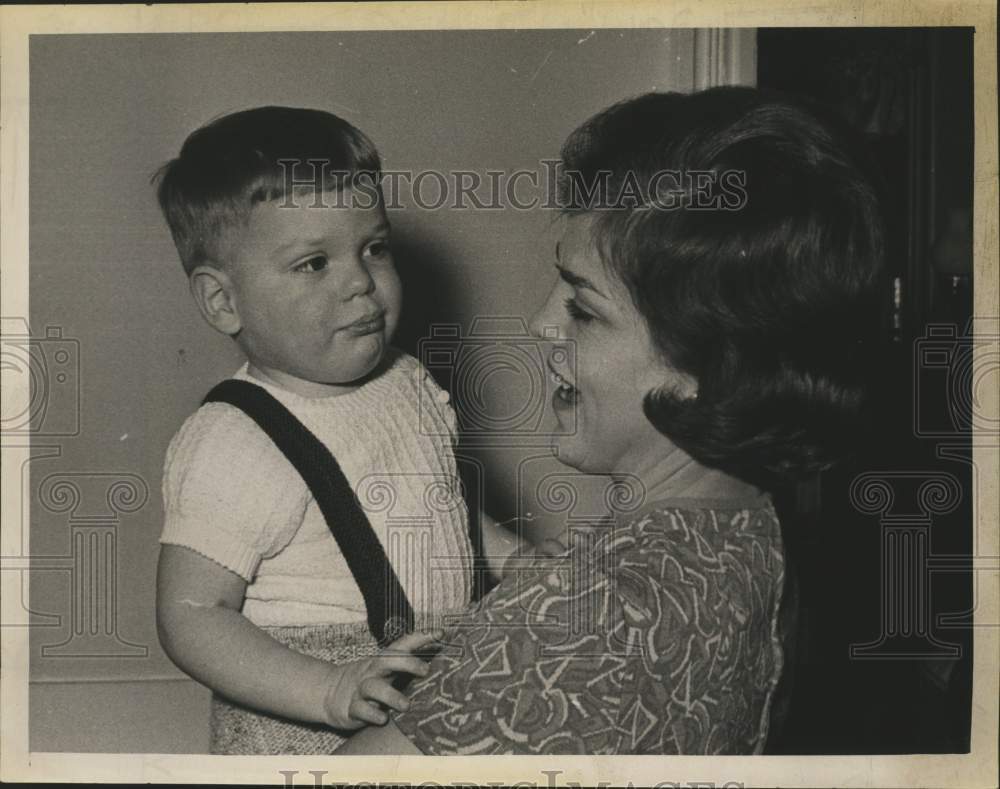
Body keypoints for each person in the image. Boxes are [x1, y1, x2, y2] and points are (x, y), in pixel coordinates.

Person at [337, 86, 885, 755]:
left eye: (584, 308)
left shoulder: (577, 610)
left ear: (702, 363)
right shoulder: (750, 528)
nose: (541, 324)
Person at [152, 106, 524, 754]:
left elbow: (442, 504)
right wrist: (330, 688)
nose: (361, 282)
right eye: (313, 264)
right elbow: (191, 615)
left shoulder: (404, 382)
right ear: (222, 301)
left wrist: (514, 559)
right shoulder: (233, 442)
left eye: (374, 248)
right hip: (299, 723)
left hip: (427, 683)